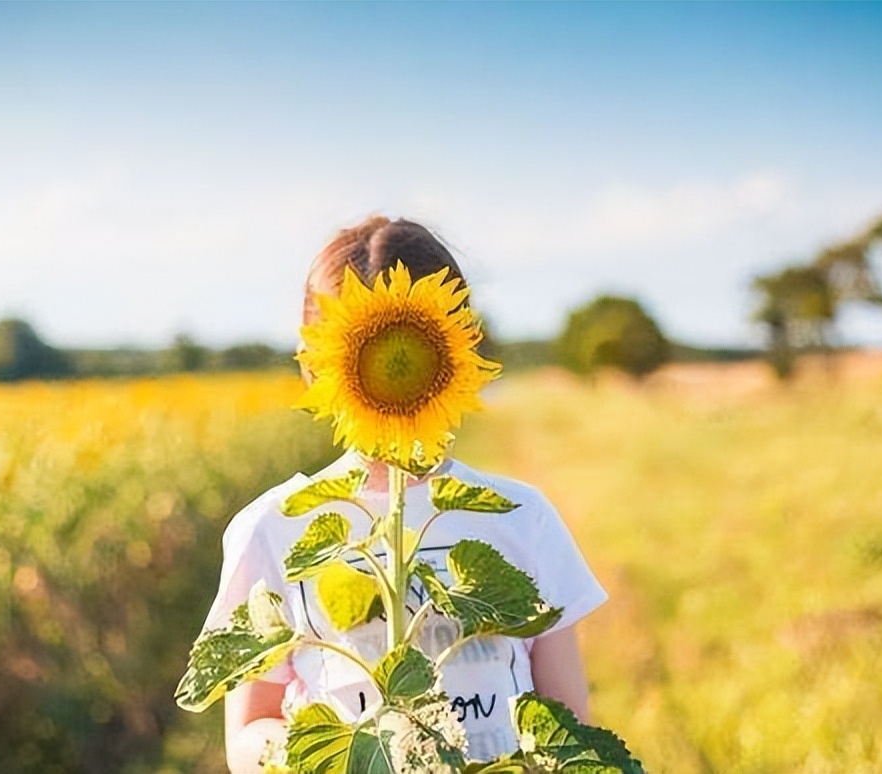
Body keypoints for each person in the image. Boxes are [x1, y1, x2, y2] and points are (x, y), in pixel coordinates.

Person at [203, 216, 609, 773]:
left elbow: (567, 722)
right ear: (313, 363)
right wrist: (325, 755)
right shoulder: (274, 528)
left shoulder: (521, 518)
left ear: (460, 347)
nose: (394, 366)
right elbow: (249, 730)